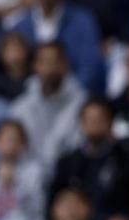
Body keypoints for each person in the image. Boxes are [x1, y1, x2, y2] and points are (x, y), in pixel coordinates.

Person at [50, 98, 129, 220]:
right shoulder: (67, 163)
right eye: (89, 119)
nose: (94, 124)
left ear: (110, 123)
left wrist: (127, 217)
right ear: (81, 123)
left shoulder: (125, 159)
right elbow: (54, 200)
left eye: (99, 119)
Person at [8, 41, 87, 172]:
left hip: (69, 176)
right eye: (44, 62)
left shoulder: (82, 104)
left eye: (55, 61)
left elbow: (81, 148)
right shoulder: (20, 107)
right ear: (35, 66)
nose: (50, 67)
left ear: (65, 65)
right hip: (28, 179)